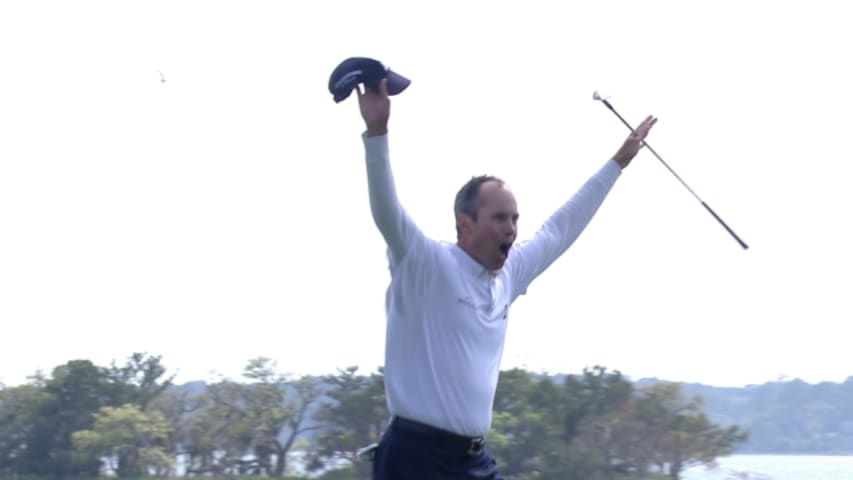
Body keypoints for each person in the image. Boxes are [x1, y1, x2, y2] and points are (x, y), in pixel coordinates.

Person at [356, 78, 657, 479]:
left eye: (515, 218)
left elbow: (559, 230)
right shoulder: (426, 263)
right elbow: (386, 212)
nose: (512, 229)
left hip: (471, 461)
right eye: (500, 218)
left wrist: (617, 163)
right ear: (466, 224)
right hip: (415, 458)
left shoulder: (508, 274)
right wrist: (377, 133)